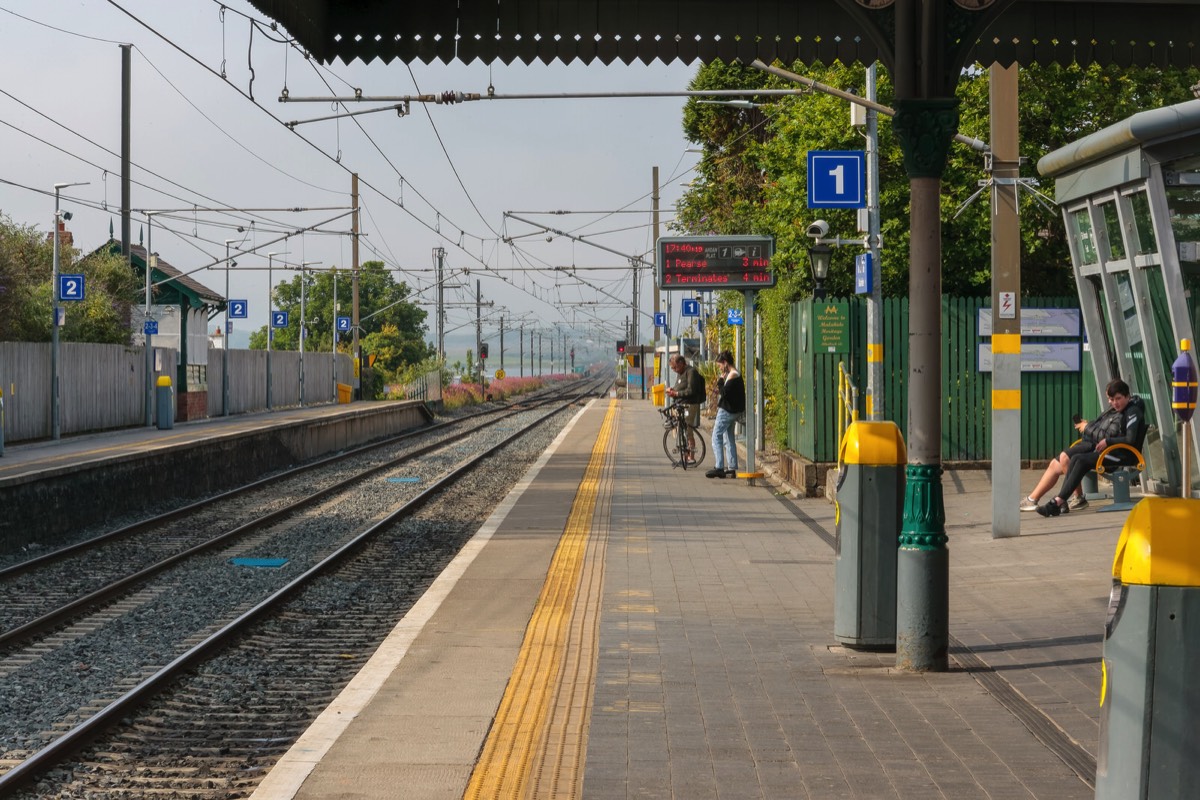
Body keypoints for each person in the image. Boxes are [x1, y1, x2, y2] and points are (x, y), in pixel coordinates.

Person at [1037, 379, 1147, 517]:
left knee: (1081, 461)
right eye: (1111, 399)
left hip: (1124, 454)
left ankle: (1058, 501)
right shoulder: (1117, 410)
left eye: (1118, 398)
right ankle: (1060, 501)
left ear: (1127, 396)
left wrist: (1108, 441)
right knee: (1076, 458)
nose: (1114, 403)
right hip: (1113, 451)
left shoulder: (1133, 411)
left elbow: (1130, 440)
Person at [1019, 405, 1124, 512]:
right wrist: (1088, 425)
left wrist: (1087, 427)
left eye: (1114, 398)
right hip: (1089, 443)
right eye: (1110, 398)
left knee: (1065, 457)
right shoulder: (1112, 409)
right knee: (1055, 464)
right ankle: (1032, 499)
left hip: (1095, 447)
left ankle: (1077, 498)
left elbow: (1107, 435)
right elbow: (1102, 428)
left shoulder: (1121, 412)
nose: (1112, 401)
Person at [707, 350, 745, 479]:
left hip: (727, 411)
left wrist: (720, 381)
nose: (720, 368)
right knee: (728, 437)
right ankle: (732, 467)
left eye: (720, 365)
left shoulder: (732, 375)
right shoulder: (735, 374)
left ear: (725, 363)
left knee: (716, 436)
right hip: (734, 410)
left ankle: (719, 467)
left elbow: (725, 393)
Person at [665, 354, 704, 461]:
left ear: (681, 363)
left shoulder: (691, 372)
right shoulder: (680, 373)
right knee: (679, 429)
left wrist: (676, 393)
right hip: (680, 404)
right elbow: (680, 386)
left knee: (688, 429)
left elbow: (691, 390)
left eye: (675, 367)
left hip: (689, 405)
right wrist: (672, 390)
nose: (674, 370)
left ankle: (691, 456)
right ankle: (685, 455)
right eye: (672, 368)